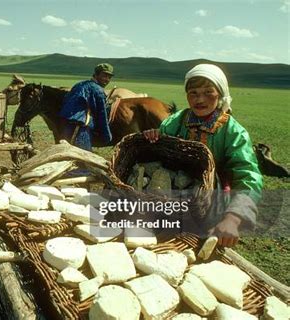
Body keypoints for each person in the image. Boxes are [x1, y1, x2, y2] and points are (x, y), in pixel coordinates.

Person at [143, 64, 263, 247]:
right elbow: (160, 156)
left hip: (211, 206)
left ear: (220, 94)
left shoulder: (233, 132)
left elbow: (248, 176)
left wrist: (233, 218)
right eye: (193, 92)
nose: (200, 99)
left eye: (208, 92)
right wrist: (154, 137)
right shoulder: (175, 122)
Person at [59, 63, 114, 151]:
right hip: (81, 128)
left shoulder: (79, 84)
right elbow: (101, 114)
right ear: (96, 75)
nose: (107, 79)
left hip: (65, 126)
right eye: (104, 76)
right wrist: (107, 136)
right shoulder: (98, 90)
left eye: (109, 77)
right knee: (83, 158)